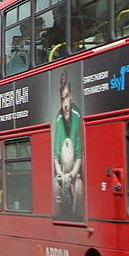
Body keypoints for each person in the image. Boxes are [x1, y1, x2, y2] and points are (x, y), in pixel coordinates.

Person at [52, 72, 84, 221]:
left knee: (79, 187)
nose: (65, 105)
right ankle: (62, 214)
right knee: (54, 185)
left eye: (67, 97)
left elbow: (79, 157)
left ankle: (74, 215)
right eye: (62, 99)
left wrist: (71, 175)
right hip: (62, 171)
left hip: (74, 173)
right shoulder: (59, 118)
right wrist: (60, 175)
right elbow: (56, 157)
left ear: (71, 95)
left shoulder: (76, 116)